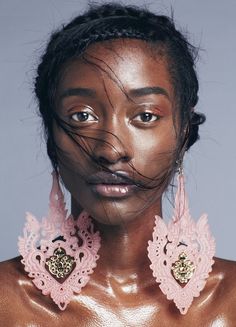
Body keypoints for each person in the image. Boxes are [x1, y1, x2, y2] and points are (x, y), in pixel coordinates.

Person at [0, 2, 235, 326]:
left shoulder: (229, 301)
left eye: (145, 116)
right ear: (50, 131)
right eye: (81, 116)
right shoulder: (7, 302)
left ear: (183, 131)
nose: (111, 151)